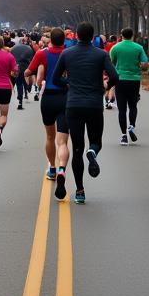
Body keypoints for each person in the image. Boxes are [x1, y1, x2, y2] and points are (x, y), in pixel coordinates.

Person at [52, 22, 118, 204]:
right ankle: (93, 152)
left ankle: (80, 191)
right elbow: (115, 76)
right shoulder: (101, 54)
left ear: (77, 36)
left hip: (73, 105)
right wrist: (105, 86)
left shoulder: (67, 53)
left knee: (77, 149)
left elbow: (55, 78)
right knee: (96, 141)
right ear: (93, 36)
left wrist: (69, 83)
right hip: (94, 104)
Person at [28, 28, 70, 198]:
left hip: (48, 99)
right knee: (63, 141)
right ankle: (62, 169)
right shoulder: (69, 54)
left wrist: (32, 77)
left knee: (50, 137)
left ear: (50, 39)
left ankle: (52, 168)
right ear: (64, 40)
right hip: (65, 97)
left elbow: (29, 71)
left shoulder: (42, 54)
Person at [109, 28, 148, 143]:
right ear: (133, 36)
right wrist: (139, 66)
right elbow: (145, 65)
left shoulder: (115, 48)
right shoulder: (138, 48)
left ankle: (123, 135)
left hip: (120, 79)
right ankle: (131, 126)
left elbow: (112, 63)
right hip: (134, 80)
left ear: (121, 35)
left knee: (121, 109)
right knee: (133, 106)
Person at [10, 33, 34, 109]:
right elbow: (31, 59)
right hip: (26, 68)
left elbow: (11, 59)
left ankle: (20, 100)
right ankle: (26, 91)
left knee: (19, 84)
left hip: (17, 67)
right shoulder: (29, 48)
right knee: (25, 82)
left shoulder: (13, 48)